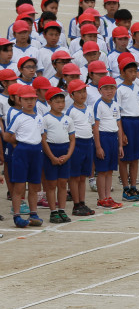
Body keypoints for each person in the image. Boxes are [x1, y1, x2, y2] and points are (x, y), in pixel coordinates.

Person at [7, 85, 45, 228]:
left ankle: (33, 213)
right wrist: (18, 144)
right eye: (26, 99)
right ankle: (17, 215)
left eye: (32, 99)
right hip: (22, 151)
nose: (30, 102)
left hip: (36, 151)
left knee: (35, 185)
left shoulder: (40, 117)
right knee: (19, 185)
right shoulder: (18, 117)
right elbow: (8, 135)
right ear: (20, 100)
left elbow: (41, 135)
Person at [41, 87, 75, 224]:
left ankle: (62, 210)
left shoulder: (68, 119)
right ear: (49, 102)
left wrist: (68, 155)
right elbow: (43, 139)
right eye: (57, 102)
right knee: (51, 184)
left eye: (62, 101)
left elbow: (72, 139)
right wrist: (52, 157)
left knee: (62, 183)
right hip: (51, 150)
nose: (61, 105)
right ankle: (53, 211)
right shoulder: (45, 119)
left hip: (64, 150)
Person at [116, 56, 139, 201]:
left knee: (135, 158)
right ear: (122, 72)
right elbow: (119, 114)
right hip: (126, 122)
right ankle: (125, 188)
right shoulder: (120, 90)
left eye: (135, 71)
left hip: (138, 122)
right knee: (124, 159)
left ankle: (133, 187)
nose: (133, 74)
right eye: (130, 71)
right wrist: (121, 133)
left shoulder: (138, 88)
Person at [92, 76, 124, 209]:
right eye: (106, 88)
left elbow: (119, 125)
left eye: (112, 88)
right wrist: (98, 146)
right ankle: (101, 198)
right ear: (100, 90)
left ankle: (108, 197)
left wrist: (120, 144)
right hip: (103, 137)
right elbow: (96, 127)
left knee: (110, 170)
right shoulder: (98, 105)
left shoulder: (116, 105)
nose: (109, 91)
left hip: (113, 138)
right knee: (102, 170)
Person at [66, 79, 96, 215]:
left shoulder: (89, 108)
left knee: (83, 175)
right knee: (75, 176)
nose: (83, 95)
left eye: (84, 91)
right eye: (79, 92)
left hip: (88, 143)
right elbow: (67, 130)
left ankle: (82, 202)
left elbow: (92, 126)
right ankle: (76, 204)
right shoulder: (71, 111)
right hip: (77, 144)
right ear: (71, 95)